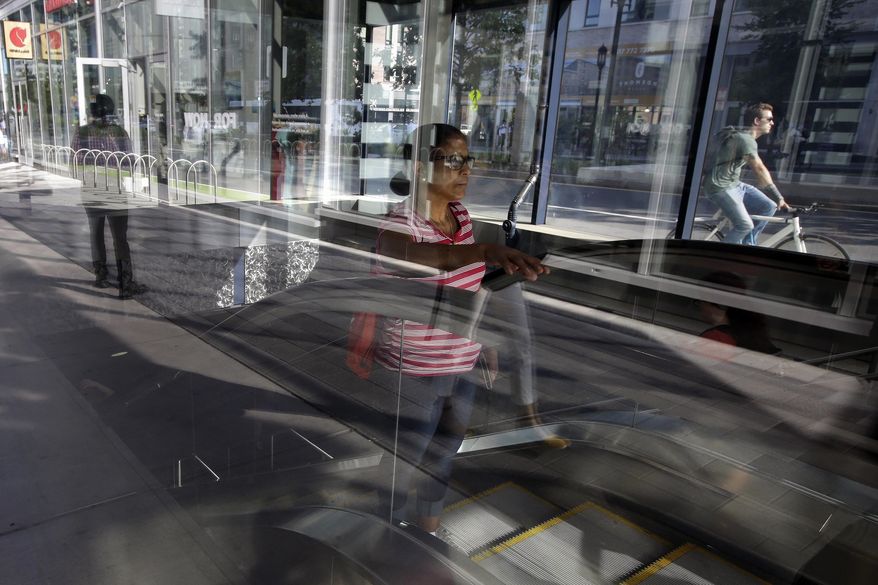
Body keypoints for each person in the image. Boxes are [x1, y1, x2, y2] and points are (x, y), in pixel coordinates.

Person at [372, 123, 549, 535]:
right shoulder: (399, 225)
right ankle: (383, 534)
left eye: (467, 159)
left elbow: (464, 283)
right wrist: (486, 251)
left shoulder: (462, 217)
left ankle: (428, 531)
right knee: (404, 456)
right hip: (411, 370)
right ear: (420, 169)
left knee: (444, 453)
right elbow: (425, 257)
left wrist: (481, 338)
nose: (465, 169)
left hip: (461, 365)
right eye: (452, 160)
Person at [72, 94, 145, 299]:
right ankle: (125, 283)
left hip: (90, 190)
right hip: (115, 190)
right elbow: (130, 163)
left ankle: (101, 276)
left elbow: (75, 164)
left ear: (92, 111)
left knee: (95, 233)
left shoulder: (81, 132)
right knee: (120, 238)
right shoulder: (119, 132)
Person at [703, 102, 792, 245]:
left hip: (734, 185)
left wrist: (776, 200)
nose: (773, 123)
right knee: (745, 225)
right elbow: (760, 169)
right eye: (769, 119)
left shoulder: (745, 138)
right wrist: (779, 197)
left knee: (768, 206)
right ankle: (719, 257)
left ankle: (747, 246)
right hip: (720, 187)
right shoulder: (745, 140)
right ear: (757, 121)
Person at [697, 271, 780, 355]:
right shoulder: (752, 333)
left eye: (700, 299)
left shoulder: (716, 338)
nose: (699, 305)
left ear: (711, 301)